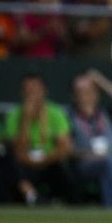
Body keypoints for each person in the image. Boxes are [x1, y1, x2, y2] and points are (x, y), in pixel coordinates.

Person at [5, 73, 78, 204]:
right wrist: (26, 120)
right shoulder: (15, 115)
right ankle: (33, 197)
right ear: (22, 94)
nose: (32, 95)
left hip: (50, 161)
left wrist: (43, 161)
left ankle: (73, 207)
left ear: (44, 92)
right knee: (11, 167)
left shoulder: (56, 113)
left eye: (35, 90)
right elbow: (17, 150)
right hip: (25, 163)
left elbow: (63, 147)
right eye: (28, 91)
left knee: (67, 172)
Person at [69, 73, 112, 208]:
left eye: (91, 91)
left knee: (111, 164)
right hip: (84, 164)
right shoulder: (69, 116)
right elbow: (67, 149)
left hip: (110, 161)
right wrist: (88, 155)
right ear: (75, 95)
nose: (88, 95)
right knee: (110, 163)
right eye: (82, 92)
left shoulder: (105, 113)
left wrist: (101, 81)